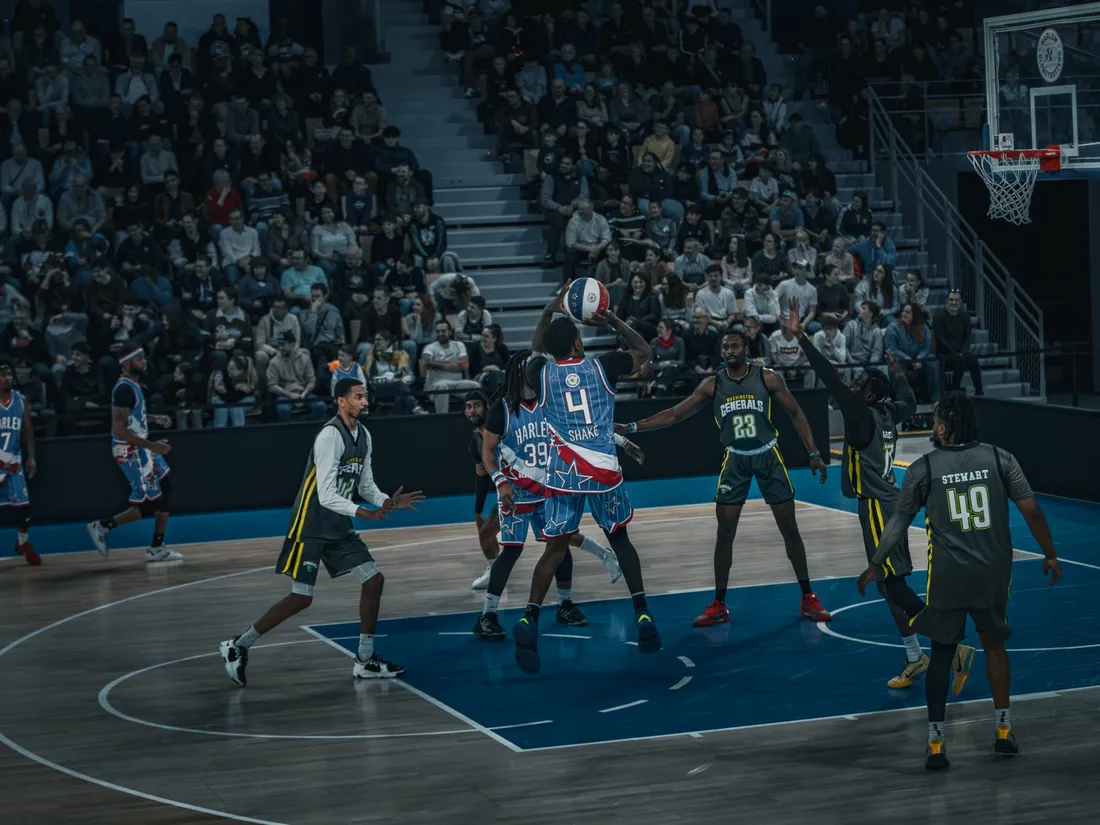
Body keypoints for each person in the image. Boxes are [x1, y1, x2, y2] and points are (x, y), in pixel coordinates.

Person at [857, 392, 1062, 770]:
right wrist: (1049, 553)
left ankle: (936, 743)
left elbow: (898, 523)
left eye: (935, 420)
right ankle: (1003, 731)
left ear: (943, 427)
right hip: (993, 572)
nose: (933, 425)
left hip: (949, 574)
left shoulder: (924, 467)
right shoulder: (1001, 458)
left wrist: (875, 563)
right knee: (995, 646)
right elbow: (1031, 510)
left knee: (941, 654)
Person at [788, 299, 957, 688]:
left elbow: (830, 378)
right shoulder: (887, 413)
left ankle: (948, 644)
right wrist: (897, 371)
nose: (851, 387)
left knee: (892, 583)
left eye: (859, 386)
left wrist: (801, 338)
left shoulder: (861, 415)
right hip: (886, 503)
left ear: (867, 395)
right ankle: (915, 655)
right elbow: (911, 402)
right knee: (887, 584)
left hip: (880, 508)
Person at [618, 326, 833, 627]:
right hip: (735, 459)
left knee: (790, 530)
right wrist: (632, 427)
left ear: (746, 348)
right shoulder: (711, 385)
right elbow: (674, 414)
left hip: (768, 457)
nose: (730, 351)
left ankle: (808, 596)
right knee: (725, 533)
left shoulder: (767, 377)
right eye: (725, 347)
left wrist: (813, 452)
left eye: (735, 345)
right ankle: (719, 603)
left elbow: (796, 413)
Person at [219, 378, 425, 685]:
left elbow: (364, 483)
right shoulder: (330, 436)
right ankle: (238, 645)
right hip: (311, 525)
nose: (365, 401)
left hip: (338, 525)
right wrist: (365, 512)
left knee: (374, 580)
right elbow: (326, 494)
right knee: (301, 598)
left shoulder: (364, 435)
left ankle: (365, 660)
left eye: (365, 396)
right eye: (358, 397)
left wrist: (385, 501)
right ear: (342, 402)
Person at [508, 283, 659, 673]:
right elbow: (644, 352)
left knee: (554, 550)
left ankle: (530, 616)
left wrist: (549, 309)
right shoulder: (602, 366)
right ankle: (641, 610)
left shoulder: (540, 373)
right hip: (604, 471)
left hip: (564, 474)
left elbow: (537, 346)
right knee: (620, 540)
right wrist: (612, 319)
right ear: (578, 342)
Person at [475, 350, 637, 639]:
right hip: (515, 491)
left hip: (550, 486)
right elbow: (487, 449)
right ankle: (487, 614)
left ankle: (565, 604)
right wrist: (500, 481)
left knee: (559, 545)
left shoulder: (551, 400)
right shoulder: (502, 407)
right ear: (522, 372)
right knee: (511, 551)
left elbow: (587, 428)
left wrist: (622, 441)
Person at [86, 348, 182, 563]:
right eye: (138, 359)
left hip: (142, 448)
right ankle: (102, 526)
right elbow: (119, 429)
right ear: (126, 363)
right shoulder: (123, 389)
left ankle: (157, 547)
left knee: (166, 487)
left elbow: (133, 416)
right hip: (130, 451)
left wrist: (154, 418)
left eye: (144, 357)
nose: (144, 362)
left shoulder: (134, 387)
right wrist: (152, 446)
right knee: (148, 503)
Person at [0, 362, 39, 565]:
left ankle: (22, 542)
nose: (7, 378)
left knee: (23, 507)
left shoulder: (21, 400)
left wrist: (31, 457)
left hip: (13, 461)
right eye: (2, 375)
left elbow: (27, 429)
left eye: (8, 374)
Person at [464, 390, 503, 590]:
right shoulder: (475, 442)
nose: (472, 410)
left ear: (486, 408)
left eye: (477, 405)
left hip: (529, 489)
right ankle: (495, 573)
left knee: (563, 538)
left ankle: (603, 553)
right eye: (469, 406)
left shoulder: (503, 430)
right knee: (485, 533)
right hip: (507, 495)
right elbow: (481, 477)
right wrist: (478, 510)